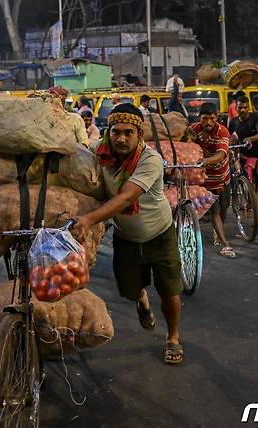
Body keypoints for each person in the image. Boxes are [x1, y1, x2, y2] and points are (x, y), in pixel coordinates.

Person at [73, 103, 185, 365]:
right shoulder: (99, 153)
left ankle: (173, 337)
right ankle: (142, 299)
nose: (121, 138)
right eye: (115, 132)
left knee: (169, 291)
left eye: (128, 133)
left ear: (139, 134)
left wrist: (88, 219)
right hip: (126, 238)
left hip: (159, 235)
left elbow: (126, 198)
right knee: (130, 291)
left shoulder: (150, 160)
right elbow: (76, 165)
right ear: (108, 133)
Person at [191, 102, 235, 259]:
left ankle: (218, 233)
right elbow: (184, 143)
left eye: (212, 118)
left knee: (223, 208)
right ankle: (225, 243)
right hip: (203, 179)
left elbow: (221, 155)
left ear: (217, 118)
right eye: (204, 119)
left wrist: (204, 161)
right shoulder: (194, 129)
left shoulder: (222, 131)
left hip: (221, 177)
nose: (208, 122)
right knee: (215, 210)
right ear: (199, 118)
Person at [228, 95, 258, 189]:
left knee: (257, 181)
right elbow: (228, 136)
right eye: (240, 107)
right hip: (244, 156)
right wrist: (231, 141)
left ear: (248, 108)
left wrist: (250, 139)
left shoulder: (256, 116)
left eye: (245, 107)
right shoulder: (233, 122)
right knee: (245, 180)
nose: (243, 110)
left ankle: (253, 197)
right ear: (236, 108)